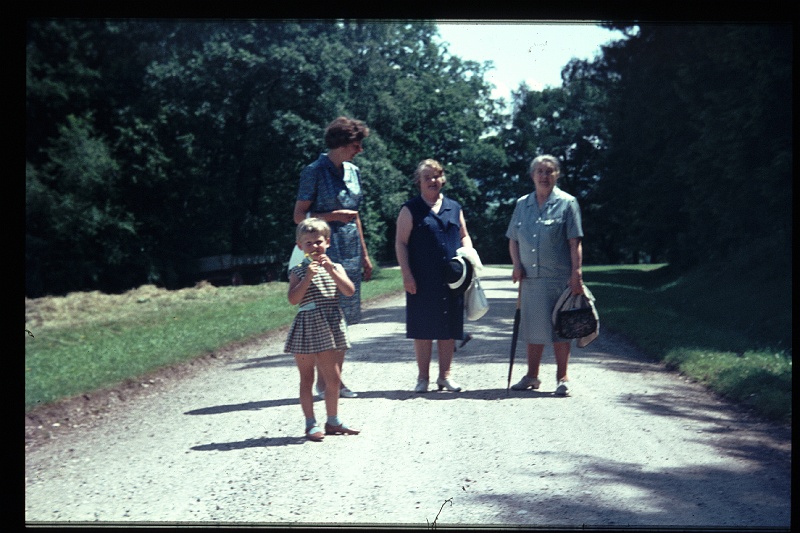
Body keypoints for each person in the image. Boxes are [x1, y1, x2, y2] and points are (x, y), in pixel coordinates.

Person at [293, 116, 373, 400]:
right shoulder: (313, 171)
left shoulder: (353, 171)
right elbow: (299, 216)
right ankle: (326, 383)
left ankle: (334, 382)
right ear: (341, 143)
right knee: (326, 316)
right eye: (356, 144)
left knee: (345, 319)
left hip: (350, 252)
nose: (359, 149)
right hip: (324, 250)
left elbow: (355, 216)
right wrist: (332, 216)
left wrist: (364, 254)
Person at [506, 155, 584, 396]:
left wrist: (576, 273)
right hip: (531, 278)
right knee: (533, 329)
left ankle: (563, 377)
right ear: (532, 176)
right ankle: (532, 376)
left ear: (556, 175)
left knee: (562, 328)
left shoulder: (567, 203)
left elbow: (575, 242)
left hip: (559, 278)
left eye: (549, 172)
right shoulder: (522, 204)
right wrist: (516, 264)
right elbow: (513, 239)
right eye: (539, 171)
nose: (544, 176)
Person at [395, 159, 474, 393]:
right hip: (421, 279)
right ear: (419, 181)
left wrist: (468, 258)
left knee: (448, 328)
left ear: (443, 179)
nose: (433, 181)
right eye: (427, 177)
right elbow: (400, 242)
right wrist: (407, 274)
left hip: (452, 279)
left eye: (437, 176)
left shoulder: (454, 207)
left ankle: (445, 376)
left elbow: (464, 236)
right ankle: (423, 378)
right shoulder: (410, 209)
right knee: (423, 329)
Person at [284, 218, 361, 441]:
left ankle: (333, 420)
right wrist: (307, 277)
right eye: (308, 243)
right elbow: (293, 299)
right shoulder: (298, 271)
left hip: (330, 324)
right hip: (308, 325)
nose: (314, 247)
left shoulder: (335, 267)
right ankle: (310, 423)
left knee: (333, 378)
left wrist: (331, 270)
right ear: (300, 247)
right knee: (306, 378)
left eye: (318, 242)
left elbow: (348, 291)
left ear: (327, 242)